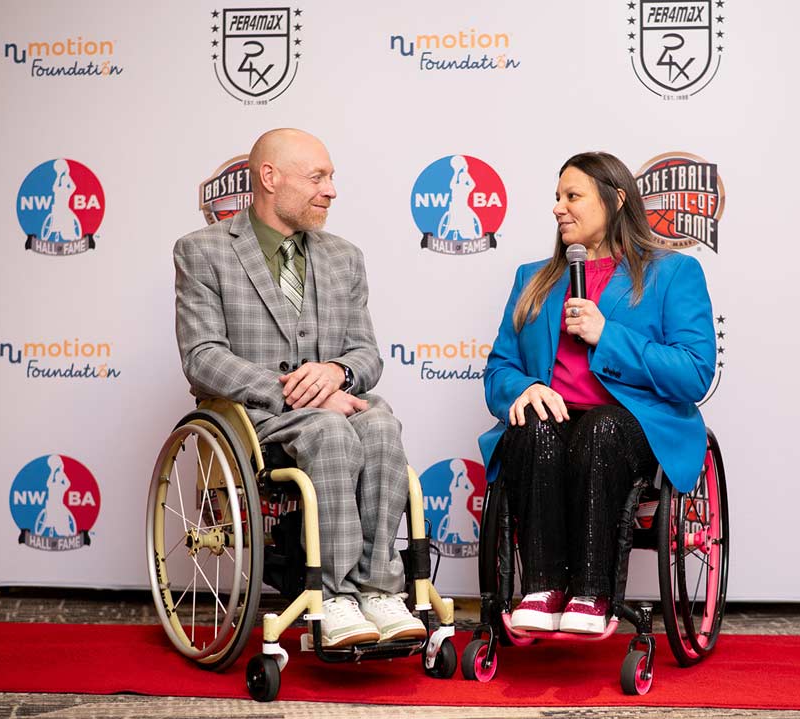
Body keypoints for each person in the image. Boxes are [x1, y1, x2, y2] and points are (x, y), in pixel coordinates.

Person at [173, 128, 425, 649]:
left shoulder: (344, 257)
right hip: (256, 419)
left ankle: (379, 590)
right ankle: (331, 596)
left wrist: (336, 373)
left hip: (335, 406)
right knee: (330, 430)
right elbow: (202, 358)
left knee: (379, 423)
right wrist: (295, 392)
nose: (331, 190)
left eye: (330, 178)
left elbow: (366, 354)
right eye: (317, 178)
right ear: (270, 178)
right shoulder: (203, 251)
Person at [478, 151, 716, 634]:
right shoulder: (533, 279)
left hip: (630, 427)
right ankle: (542, 589)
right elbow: (500, 369)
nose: (558, 208)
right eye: (557, 197)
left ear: (616, 199)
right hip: (554, 427)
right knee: (533, 425)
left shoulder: (673, 272)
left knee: (600, 428)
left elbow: (694, 372)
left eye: (573, 196)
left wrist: (607, 335)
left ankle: (591, 593)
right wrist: (524, 388)